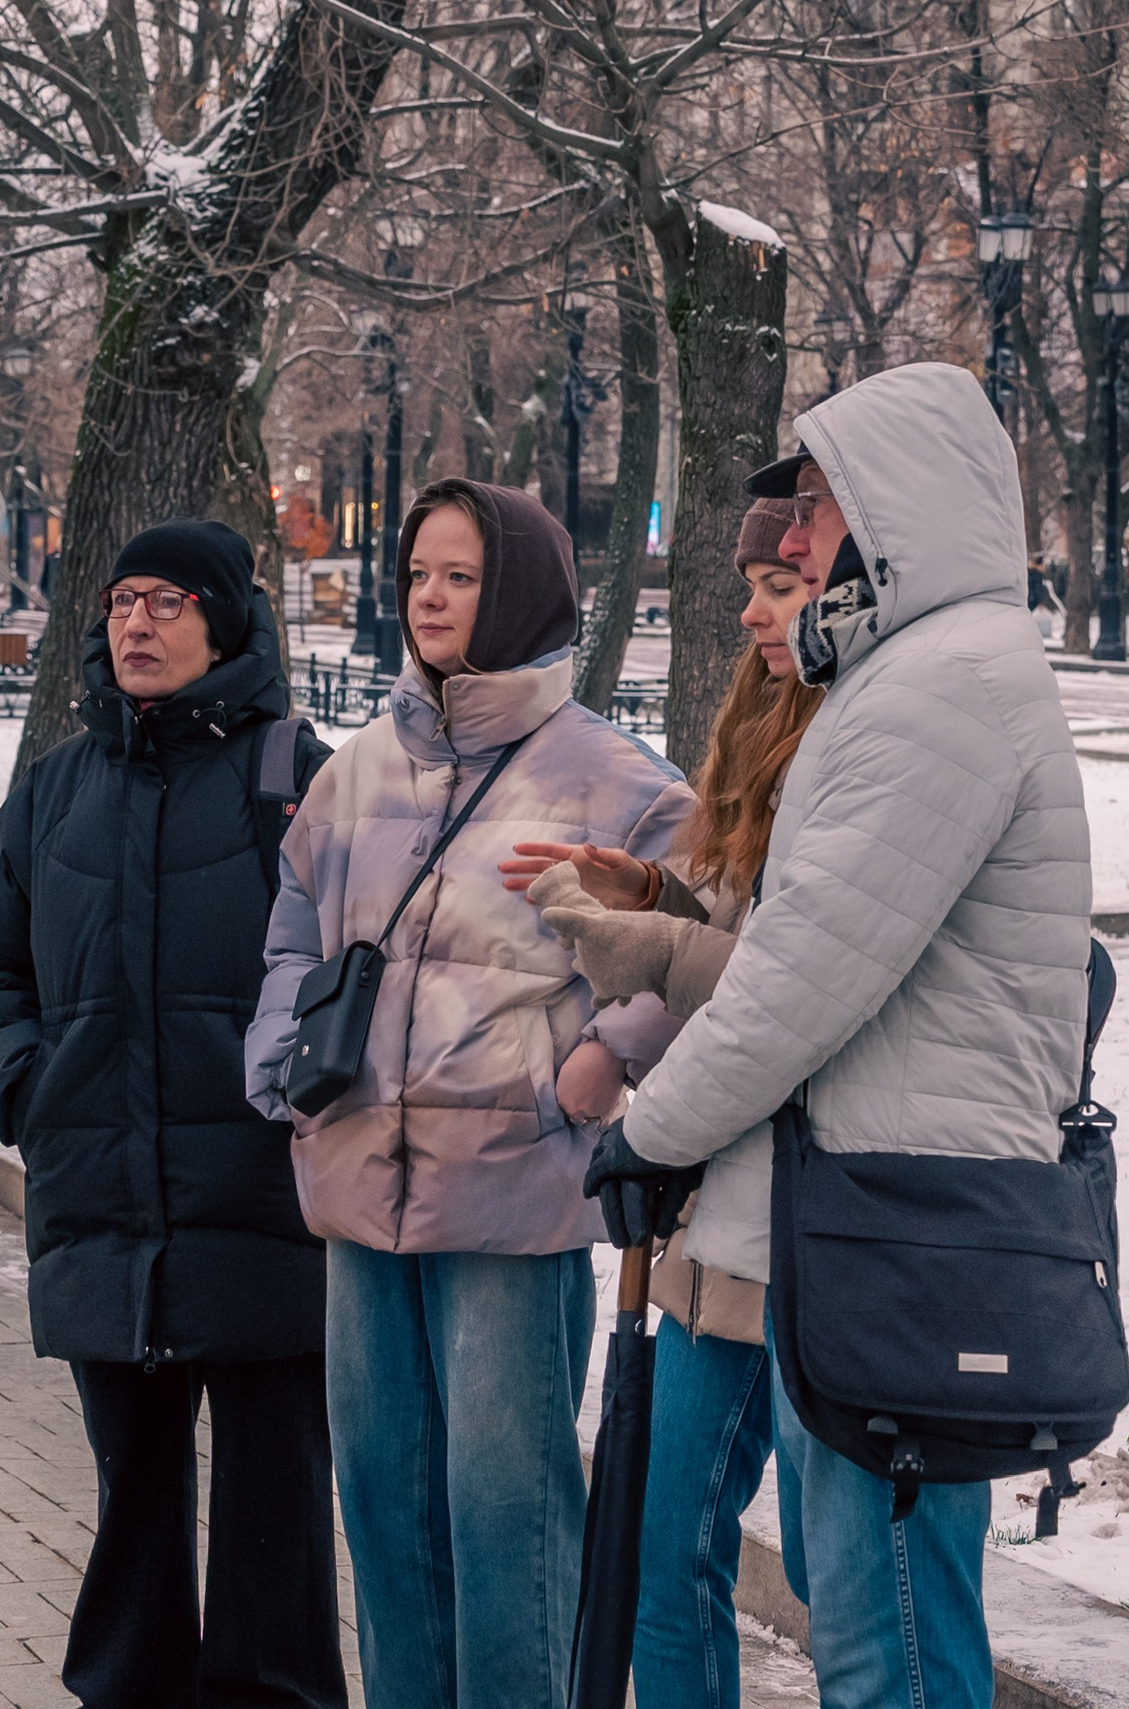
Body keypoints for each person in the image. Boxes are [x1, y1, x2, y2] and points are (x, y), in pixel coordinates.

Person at [585, 362, 1092, 1709]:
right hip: (868, 1222)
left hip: (906, 1232)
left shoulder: (949, 686)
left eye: (814, 504)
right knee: (868, 1631)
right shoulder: (910, 677)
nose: (794, 540)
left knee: (893, 1656)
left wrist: (649, 1130)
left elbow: (801, 975)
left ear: (897, 504)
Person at [244, 480, 693, 1709]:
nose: (428, 599)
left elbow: (698, 942)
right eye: (417, 574)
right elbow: (292, 935)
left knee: (508, 1519)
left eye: (460, 576)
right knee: (385, 1512)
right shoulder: (359, 770)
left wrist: (592, 1071)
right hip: (353, 1182)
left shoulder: (619, 780)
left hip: (510, 1198)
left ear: (523, 593)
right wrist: (281, 1059)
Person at [0, 520, 345, 1709]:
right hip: (103, 1203)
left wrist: (308, 1107)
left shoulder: (303, 777)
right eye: (122, 598)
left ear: (224, 619)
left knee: (273, 1512)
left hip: (267, 1205)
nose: (135, 620)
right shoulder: (54, 788)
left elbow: (360, 965)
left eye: (168, 601)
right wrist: (27, 1084)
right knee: (133, 1497)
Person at [500, 498, 816, 1709]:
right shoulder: (756, 723)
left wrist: (626, 959)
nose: (750, 612)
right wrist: (649, 886)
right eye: (748, 584)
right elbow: (723, 911)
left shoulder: (863, 740)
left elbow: (789, 978)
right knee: (653, 1548)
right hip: (706, 1212)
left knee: (849, 1583)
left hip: (808, 1218)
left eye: (777, 586)